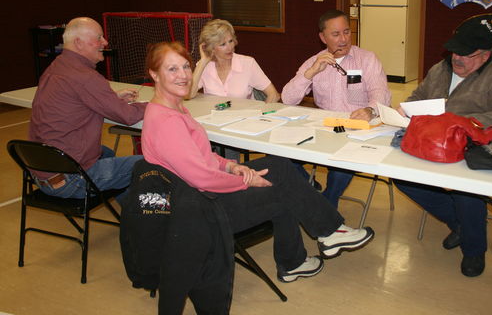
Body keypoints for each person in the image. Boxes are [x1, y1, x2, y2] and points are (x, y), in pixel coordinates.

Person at [140, 41, 375, 283]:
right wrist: (244, 181)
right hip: (201, 208)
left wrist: (232, 166)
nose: (183, 76)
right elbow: (201, 177)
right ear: (154, 75)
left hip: (202, 193)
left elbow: (203, 156)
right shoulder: (167, 121)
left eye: (185, 67)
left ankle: (320, 241)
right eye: (172, 69)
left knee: (280, 166)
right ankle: (315, 244)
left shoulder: (173, 108)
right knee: (283, 190)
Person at [394, 23, 492, 277]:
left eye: (465, 54)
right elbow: (419, 95)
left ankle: (474, 250)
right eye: (455, 52)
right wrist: (405, 108)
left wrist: (460, 122)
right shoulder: (439, 69)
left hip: (472, 147)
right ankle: (461, 225)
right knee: (403, 178)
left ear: (485, 55)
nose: (457, 58)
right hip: (431, 143)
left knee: (467, 191)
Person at [281, 9, 391, 207]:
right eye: (336, 34)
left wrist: (370, 109)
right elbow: (287, 99)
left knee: (343, 164)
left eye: (347, 32)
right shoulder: (313, 62)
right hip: (324, 129)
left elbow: (381, 92)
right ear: (323, 37)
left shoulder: (366, 59)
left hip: (355, 130)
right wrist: (311, 72)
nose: (343, 39)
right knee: (279, 155)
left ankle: (325, 206)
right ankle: (309, 187)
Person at [29, 17, 146, 200]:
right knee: (151, 164)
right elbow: (128, 116)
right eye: (99, 37)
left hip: (42, 172)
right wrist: (159, 103)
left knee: (106, 153)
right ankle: (140, 216)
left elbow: (75, 100)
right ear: (78, 43)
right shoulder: (86, 77)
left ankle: (128, 207)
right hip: (72, 179)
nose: (105, 42)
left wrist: (111, 98)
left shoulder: (56, 67)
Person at [188, 18, 280, 102]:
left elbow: (274, 95)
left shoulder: (248, 63)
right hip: (214, 118)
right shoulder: (204, 66)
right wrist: (203, 62)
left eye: (231, 41)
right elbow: (189, 94)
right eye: (223, 44)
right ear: (211, 48)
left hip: (246, 118)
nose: (230, 47)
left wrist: (263, 116)